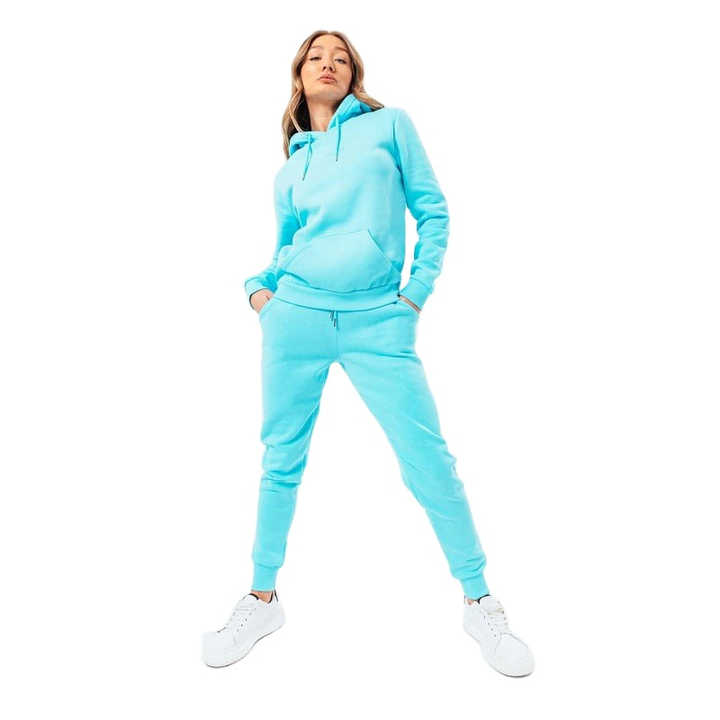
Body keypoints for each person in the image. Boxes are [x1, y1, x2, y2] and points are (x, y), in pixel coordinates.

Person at [203, 30, 534, 677]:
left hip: (379, 319)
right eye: (316, 57)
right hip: (295, 316)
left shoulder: (390, 127)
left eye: (341, 58)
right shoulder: (290, 168)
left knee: (427, 458)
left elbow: (433, 212)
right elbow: (285, 247)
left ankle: (480, 601)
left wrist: (413, 297)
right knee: (280, 459)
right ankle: (261, 599)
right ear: (299, 75)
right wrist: (259, 292)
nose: (328, 64)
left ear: (354, 75)